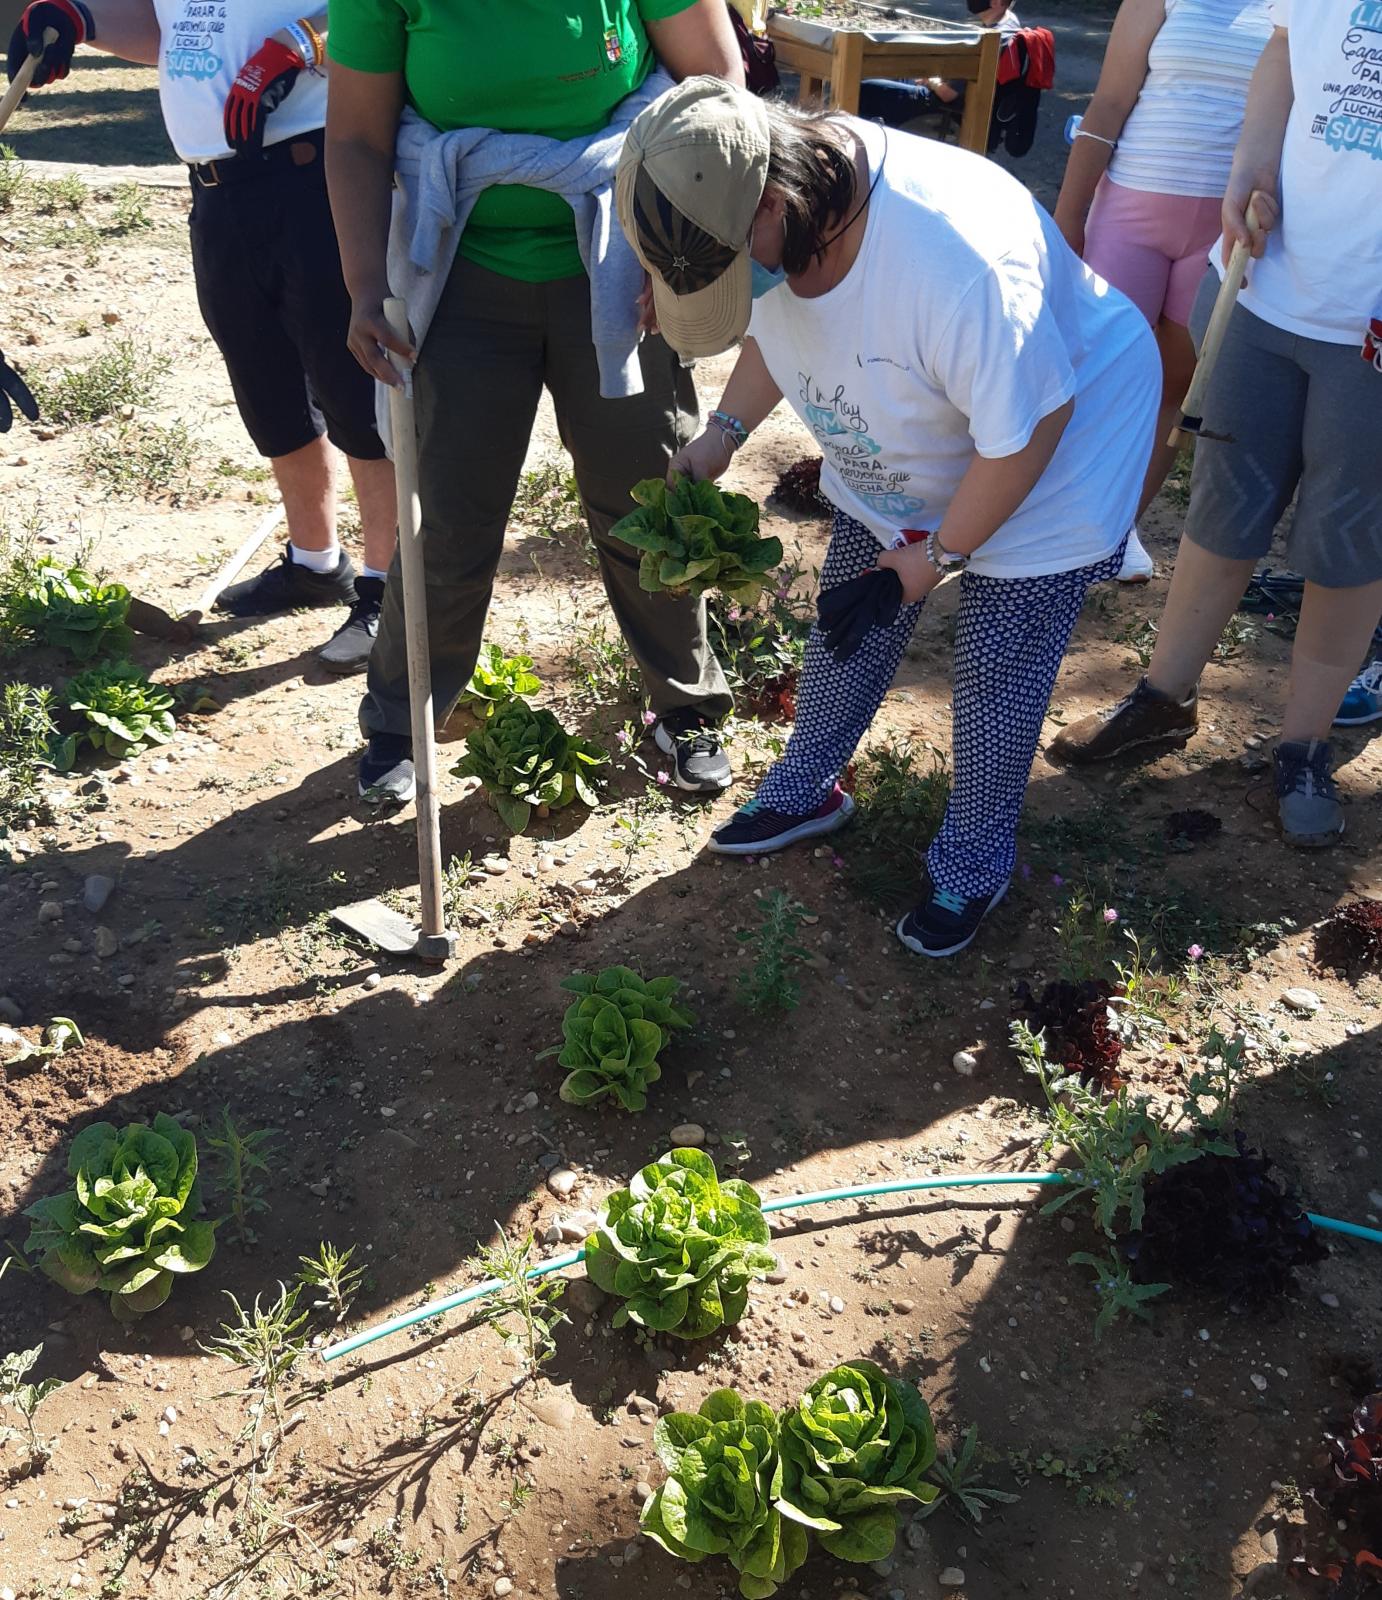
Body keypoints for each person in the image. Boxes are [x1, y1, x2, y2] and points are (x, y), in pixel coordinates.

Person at [617, 78, 1159, 957]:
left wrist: (938, 554)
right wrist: (720, 436)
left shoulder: (954, 260)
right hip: (923, 426)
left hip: (1055, 442)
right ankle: (807, 787)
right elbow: (772, 323)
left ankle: (972, 865)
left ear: (781, 200)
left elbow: (1030, 430)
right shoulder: (766, 205)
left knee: (995, 674)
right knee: (846, 624)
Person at [324, 1, 743, 808]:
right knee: (447, 513)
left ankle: (686, 707)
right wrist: (365, 285)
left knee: (648, 496)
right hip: (459, 271)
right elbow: (354, 137)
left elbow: (719, 86)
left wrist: (680, 249)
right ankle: (401, 721)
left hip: (625, 262)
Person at [1050, 0, 1382, 846]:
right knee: (1224, 505)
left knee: (1349, 540)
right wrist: (1250, 169)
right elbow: (1283, 52)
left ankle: (1302, 747)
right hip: (1266, 284)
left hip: (1371, 328)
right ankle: (1163, 700)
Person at [5, 0, 396, 672]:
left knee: (358, 394)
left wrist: (301, 43)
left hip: (315, 176)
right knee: (266, 389)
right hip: (217, 189)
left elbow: (389, 11)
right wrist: (83, 20)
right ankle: (314, 562)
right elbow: (173, 32)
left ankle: (387, 590)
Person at [1052, 0, 1272, 584]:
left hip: (1221, 232)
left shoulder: (1302, 12)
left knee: (1174, 386)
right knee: (1094, 374)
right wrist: (1069, 215)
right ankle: (1047, 515)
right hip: (1131, 210)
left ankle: (1117, 528)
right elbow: (1110, 102)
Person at [858, 0, 1022, 131]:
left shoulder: (991, 40)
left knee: (862, 90)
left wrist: (931, 81)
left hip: (940, 103)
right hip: (942, 89)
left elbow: (948, 94)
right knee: (890, 72)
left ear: (996, 3)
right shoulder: (1009, 22)